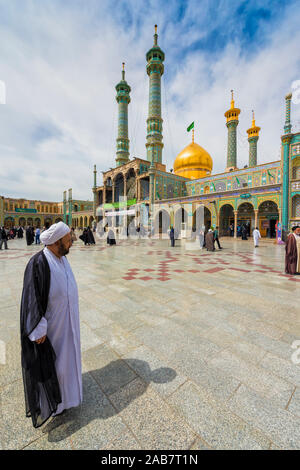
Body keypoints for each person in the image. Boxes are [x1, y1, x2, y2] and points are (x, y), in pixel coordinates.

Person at [20, 221, 82, 428]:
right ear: (56, 242)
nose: (71, 242)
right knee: (56, 366)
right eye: (68, 240)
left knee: (68, 361)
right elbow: (32, 298)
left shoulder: (62, 258)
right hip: (52, 329)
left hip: (67, 324)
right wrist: (38, 328)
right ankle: (56, 402)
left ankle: (69, 398)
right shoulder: (39, 263)